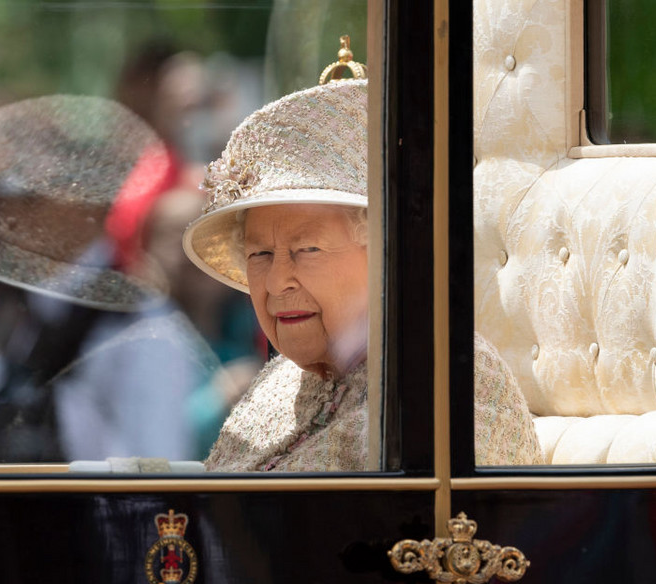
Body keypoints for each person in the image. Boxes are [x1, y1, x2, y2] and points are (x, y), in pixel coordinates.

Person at [183, 72, 542, 471]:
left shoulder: (446, 378)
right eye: (260, 254)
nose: (276, 281)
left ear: (384, 254)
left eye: (307, 249)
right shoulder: (277, 383)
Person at [0, 94, 223, 463]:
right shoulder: (33, 304)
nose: (2, 214)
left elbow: (157, 480)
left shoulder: (140, 330)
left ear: (82, 206)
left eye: (26, 197)